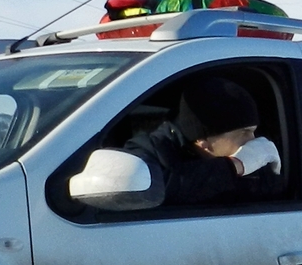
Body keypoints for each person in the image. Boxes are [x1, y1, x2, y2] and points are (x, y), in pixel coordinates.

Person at [122, 74, 285, 207]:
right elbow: (161, 189)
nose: (252, 140)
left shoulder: (253, 157)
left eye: (253, 131)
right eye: (244, 132)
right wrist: (236, 166)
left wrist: (269, 173)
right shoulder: (149, 152)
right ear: (202, 140)